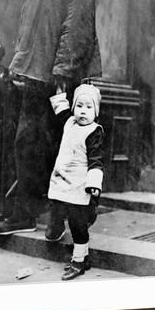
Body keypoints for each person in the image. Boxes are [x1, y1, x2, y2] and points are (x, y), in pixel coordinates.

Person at [0, 0, 101, 235]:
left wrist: (63, 71)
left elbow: (78, 18)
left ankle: (64, 218)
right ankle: (26, 213)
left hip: (58, 75)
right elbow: (29, 18)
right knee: (26, 142)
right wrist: (19, 62)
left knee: (63, 149)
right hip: (33, 70)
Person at [46, 84, 104, 280]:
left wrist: (94, 184)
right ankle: (55, 229)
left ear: (95, 111)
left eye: (89, 107)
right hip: (62, 181)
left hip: (80, 185)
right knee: (57, 207)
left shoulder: (94, 132)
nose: (83, 111)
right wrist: (59, 93)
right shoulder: (70, 123)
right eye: (79, 106)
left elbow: (96, 160)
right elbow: (62, 111)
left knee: (78, 223)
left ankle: (79, 260)